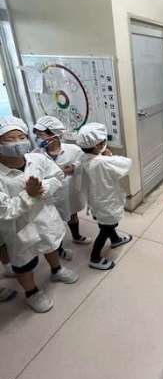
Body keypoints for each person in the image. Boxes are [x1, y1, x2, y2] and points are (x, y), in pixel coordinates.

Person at [0, 116, 78, 313]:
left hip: (45, 217)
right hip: (18, 227)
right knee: (24, 263)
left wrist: (42, 188)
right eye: (10, 139)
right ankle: (32, 292)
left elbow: (57, 176)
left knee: (51, 244)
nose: (18, 143)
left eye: (21, 137)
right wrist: (30, 195)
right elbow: (5, 210)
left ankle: (56, 270)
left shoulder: (37, 159)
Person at [33, 116, 91, 259]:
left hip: (69, 191)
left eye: (41, 135)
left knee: (72, 214)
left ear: (54, 134)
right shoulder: (35, 155)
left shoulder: (73, 150)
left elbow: (84, 163)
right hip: (50, 196)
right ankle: (59, 250)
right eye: (37, 135)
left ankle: (76, 236)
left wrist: (74, 167)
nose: (38, 138)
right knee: (53, 224)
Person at [77, 123, 132, 270]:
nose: (105, 143)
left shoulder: (83, 158)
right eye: (103, 141)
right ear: (97, 146)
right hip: (107, 202)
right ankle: (94, 258)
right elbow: (127, 164)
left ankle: (115, 239)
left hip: (96, 201)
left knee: (106, 224)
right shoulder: (103, 162)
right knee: (106, 228)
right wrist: (109, 155)